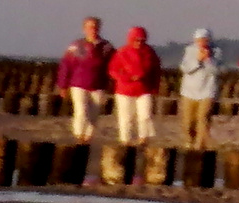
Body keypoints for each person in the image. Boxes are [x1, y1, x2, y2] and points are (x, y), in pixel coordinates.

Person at [55, 16, 115, 144]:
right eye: (89, 27)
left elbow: (115, 65)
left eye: (95, 27)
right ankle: (78, 135)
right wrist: (63, 85)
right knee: (81, 111)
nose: (92, 29)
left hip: (98, 85)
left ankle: (88, 138)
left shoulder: (106, 47)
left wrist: (114, 82)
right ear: (84, 29)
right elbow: (66, 65)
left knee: (94, 114)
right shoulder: (75, 46)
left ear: (99, 28)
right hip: (78, 84)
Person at [107, 26, 161, 144]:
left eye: (142, 40)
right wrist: (128, 78)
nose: (139, 42)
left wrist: (155, 87)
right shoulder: (122, 52)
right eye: (136, 40)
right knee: (126, 117)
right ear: (130, 39)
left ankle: (143, 140)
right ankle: (125, 141)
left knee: (145, 115)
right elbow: (112, 70)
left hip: (144, 89)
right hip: (124, 90)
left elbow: (156, 70)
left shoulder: (149, 52)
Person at [179, 28, 221, 149]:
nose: (202, 42)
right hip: (189, 91)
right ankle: (189, 140)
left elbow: (217, 71)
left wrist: (208, 60)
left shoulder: (216, 51)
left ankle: (200, 145)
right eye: (199, 40)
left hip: (207, 91)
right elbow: (185, 69)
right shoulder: (189, 50)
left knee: (203, 118)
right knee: (188, 121)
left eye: (204, 39)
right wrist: (198, 60)